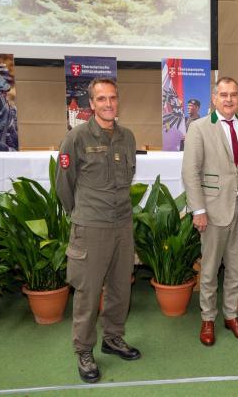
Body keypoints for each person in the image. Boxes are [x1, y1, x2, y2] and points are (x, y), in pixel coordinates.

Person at [56, 78, 141, 383]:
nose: (108, 104)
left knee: (121, 288)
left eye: (113, 98)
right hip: (91, 226)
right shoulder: (76, 138)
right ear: (91, 104)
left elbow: (128, 177)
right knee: (88, 293)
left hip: (122, 224)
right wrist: (80, 215)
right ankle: (84, 349)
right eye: (101, 99)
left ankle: (113, 338)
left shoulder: (127, 138)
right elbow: (64, 185)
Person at [182, 76, 238, 347]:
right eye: (223, 95)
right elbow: (190, 172)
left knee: (236, 268)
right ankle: (208, 318)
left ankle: (231, 315)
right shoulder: (199, 127)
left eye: (233, 95)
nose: (229, 99)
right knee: (208, 270)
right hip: (213, 209)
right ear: (214, 99)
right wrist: (198, 209)